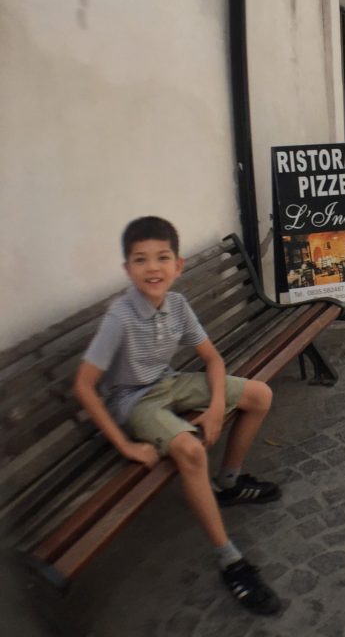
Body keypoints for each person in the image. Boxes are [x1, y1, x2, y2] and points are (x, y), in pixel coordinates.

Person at [73, 216, 282, 615]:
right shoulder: (120, 317)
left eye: (161, 258)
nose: (152, 268)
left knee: (259, 394)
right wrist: (127, 446)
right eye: (140, 260)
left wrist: (218, 408)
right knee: (191, 451)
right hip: (135, 402)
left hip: (170, 383)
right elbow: (84, 385)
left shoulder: (178, 305)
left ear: (178, 265)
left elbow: (213, 360)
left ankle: (229, 484)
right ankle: (231, 561)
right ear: (127, 269)